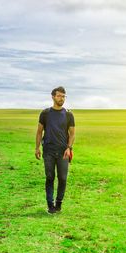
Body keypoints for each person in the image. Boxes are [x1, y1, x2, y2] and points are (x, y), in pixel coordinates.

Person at [35, 86, 76, 214]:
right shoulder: (45, 113)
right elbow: (39, 132)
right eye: (59, 96)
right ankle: (50, 205)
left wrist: (69, 148)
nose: (61, 98)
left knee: (63, 178)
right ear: (53, 96)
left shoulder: (69, 114)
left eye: (63, 96)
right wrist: (37, 148)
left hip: (63, 151)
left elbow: (72, 133)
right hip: (48, 150)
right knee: (50, 177)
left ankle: (58, 203)